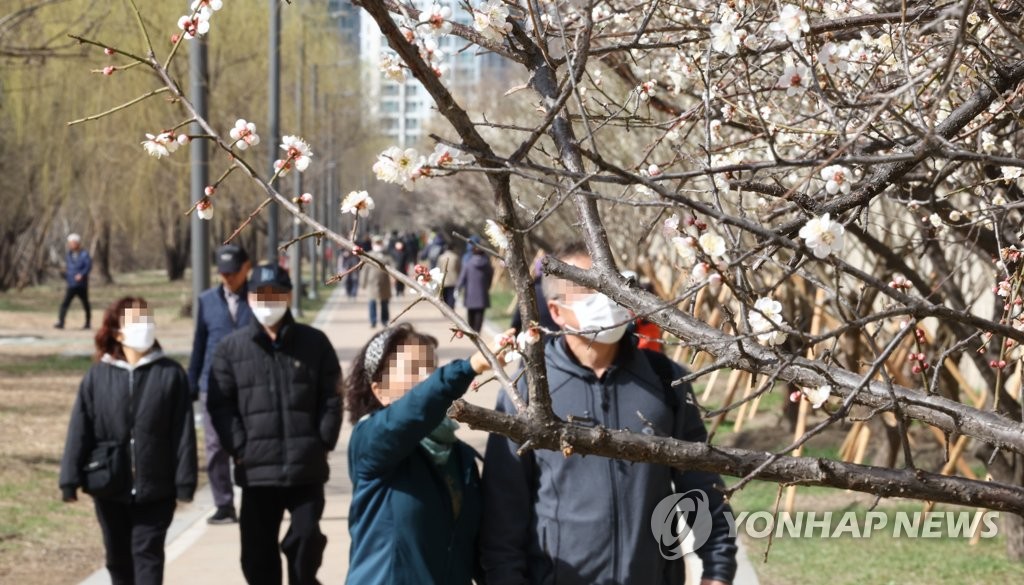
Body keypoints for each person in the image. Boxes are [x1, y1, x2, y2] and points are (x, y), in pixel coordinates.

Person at [481, 241, 737, 585]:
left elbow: (702, 484)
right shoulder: (529, 391)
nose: (607, 299)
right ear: (556, 312)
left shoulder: (665, 381)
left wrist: (718, 569)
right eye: (590, 290)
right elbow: (503, 511)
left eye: (610, 284)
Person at [207, 263, 342, 585]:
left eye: (276, 293)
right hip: (256, 471)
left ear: (289, 295)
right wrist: (239, 448)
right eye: (260, 294)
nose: (268, 301)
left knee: (306, 540)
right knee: (257, 555)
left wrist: (323, 441)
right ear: (249, 298)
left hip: (305, 467)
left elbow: (333, 396)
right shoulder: (231, 349)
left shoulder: (315, 342)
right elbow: (220, 405)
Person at [344, 323, 509, 585]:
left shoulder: (459, 456)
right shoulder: (370, 441)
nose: (427, 378)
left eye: (431, 369)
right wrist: (467, 368)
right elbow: (407, 416)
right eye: (412, 370)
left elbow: (475, 550)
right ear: (380, 391)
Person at [59, 296, 197, 585]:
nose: (143, 326)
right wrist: (69, 479)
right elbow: (80, 428)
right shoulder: (97, 376)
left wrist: (185, 481)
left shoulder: (170, 374)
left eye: (147, 318)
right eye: (135, 321)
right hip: (109, 484)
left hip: (156, 488)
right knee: (118, 559)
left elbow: (183, 433)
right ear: (117, 331)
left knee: (148, 557)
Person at [187, 244, 253, 525]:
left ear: (246, 268)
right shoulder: (206, 301)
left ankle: (254, 497)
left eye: (233, 272)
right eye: (223, 273)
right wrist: (192, 382)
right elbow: (199, 344)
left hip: (251, 384)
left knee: (251, 445)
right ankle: (224, 504)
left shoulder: (260, 298)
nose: (228, 278)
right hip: (212, 385)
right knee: (215, 448)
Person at [510, 249, 557, 335]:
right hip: (558, 342)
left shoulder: (530, 291)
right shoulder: (560, 293)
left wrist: (513, 336)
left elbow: (517, 321)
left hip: (535, 341)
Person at [56, 233, 93, 329]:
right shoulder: (68, 255)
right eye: (70, 243)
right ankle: (61, 322)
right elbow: (69, 268)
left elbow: (88, 266)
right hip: (71, 284)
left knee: (85, 303)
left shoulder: (84, 254)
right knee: (65, 303)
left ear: (77, 243)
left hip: (81, 284)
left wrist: (82, 274)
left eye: (73, 243)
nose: (71, 245)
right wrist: (65, 275)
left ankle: (88, 323)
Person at [456, 239, 494, 333]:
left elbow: (463, 276)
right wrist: (487, 286)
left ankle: (471, 329)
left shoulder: (468, 263)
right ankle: (477, 331)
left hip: (470, 292)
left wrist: (458, 287)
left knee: (471, 312)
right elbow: (490, 277)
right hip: (482, 292)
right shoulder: (487, 264)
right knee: (480, 313)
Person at [436, 242, 461, 309]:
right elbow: (458, 268)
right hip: (453, 280)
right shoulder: (455, 257)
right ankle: (451, 308)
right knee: (451, 296)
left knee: (444, 296)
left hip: (443, 280)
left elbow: (438, 268)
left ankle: (445, 309)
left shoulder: (441, 257)